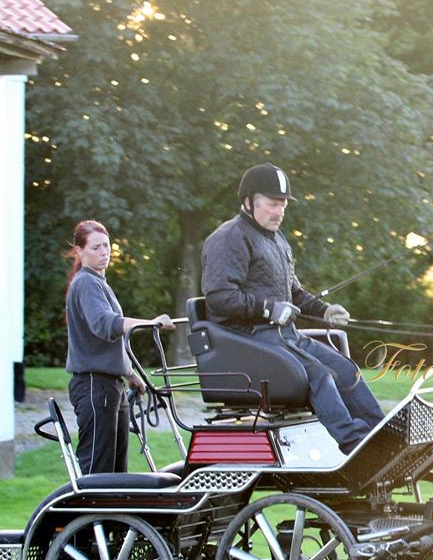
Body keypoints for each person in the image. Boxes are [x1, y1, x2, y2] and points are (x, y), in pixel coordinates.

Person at [201, 163, 383, 453]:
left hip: (285, 336)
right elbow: (219, 298)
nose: (279, 212)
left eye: (283, 205)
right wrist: (267, 309)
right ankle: (355, 444)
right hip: (248, 341)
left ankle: (381, 436)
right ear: (248, 201)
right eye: (272, 204)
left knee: (346, 370)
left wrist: (324, 311)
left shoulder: (276, 239)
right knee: (319, 375)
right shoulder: (229, 238)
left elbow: (293, 293)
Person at [65, 220, 175, 474]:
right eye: (95, 247)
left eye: (106, 245)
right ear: (80, 251)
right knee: (98, 473)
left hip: (111, 386)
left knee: (116, 473)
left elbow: (107, 342)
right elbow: (105, 325)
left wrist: (130, 374)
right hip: (94, 386)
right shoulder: (86, 282)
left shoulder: (98, 283)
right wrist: (151, 323)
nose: (104, 252)